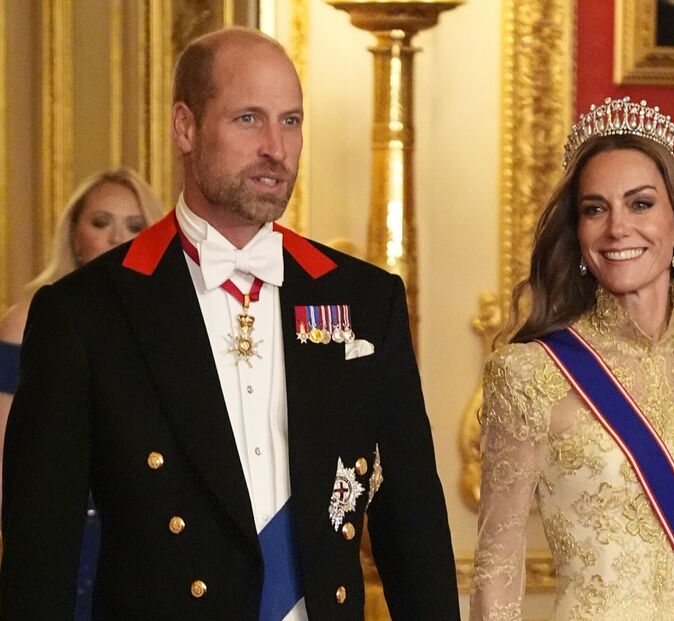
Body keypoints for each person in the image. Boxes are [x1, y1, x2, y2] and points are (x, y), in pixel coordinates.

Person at [0, 27, 458, 620]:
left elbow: (412, 526)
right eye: (249, 119)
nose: (276, 146)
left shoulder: (366, 301)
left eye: (290, 121)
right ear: (185, 127)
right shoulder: (86, 313)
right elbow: (40, 563)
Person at [469, 97, 674, 620]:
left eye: (641, 204)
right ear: (578, 237)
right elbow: (497, 566)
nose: (617, 227)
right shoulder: (530, 374)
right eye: (595, 209)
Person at [0, 167, 163, 620]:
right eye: (101, 222)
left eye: (135, 227)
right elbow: (6, 469)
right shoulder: (27, 318)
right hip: (62, 536)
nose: (116, 238)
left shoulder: (168, 328)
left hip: (152, 544)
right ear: (74, 235)